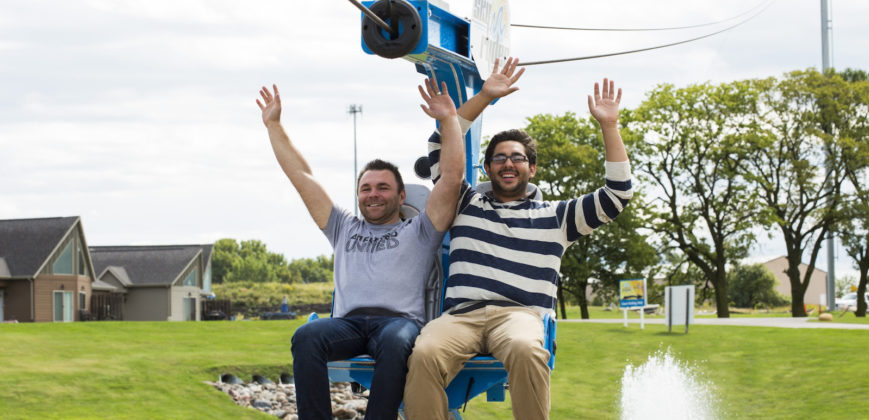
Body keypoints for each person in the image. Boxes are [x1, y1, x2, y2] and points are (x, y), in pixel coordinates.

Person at [403, 76, 634, 420]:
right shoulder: (465, 203)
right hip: (461, 316)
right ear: (487, 168)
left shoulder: (557, 217)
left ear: (532, 167)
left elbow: (617, 195)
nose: (508, 163)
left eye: (517, 158)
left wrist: (609, 125)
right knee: (424, 352)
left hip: (518, 316)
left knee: (527, 348)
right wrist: (483, 97)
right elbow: (441, 143)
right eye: (499, 158)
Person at [255, 77, 463, 420]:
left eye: (383, 187)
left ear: (400, 197)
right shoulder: (342, 226)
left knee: (397, 341)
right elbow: (302, 177)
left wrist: (449, 121)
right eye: (365, 188)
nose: (373, 194)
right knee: (306, 336)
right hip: (347, 325)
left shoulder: (421, 230)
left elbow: (452, 179)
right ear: (358, 195)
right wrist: (274, 126)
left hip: (399, 324)